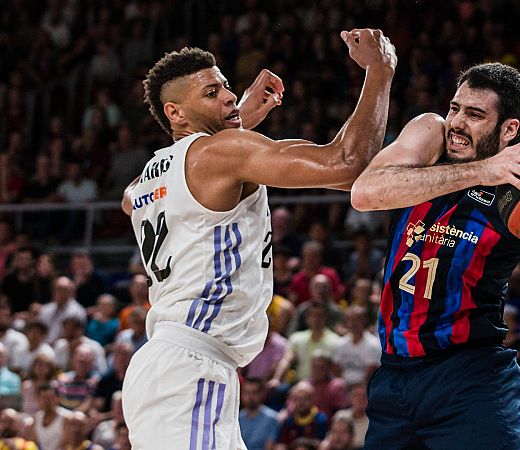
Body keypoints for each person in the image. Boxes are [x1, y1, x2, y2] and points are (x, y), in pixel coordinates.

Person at [121, 29, 396, 449]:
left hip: (179, 367)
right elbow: (347, 164)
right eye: (212, 93)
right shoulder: (220, 154)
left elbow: (128, 199)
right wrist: (380, 69)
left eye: (227, 87)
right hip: (190, 368)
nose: (231, 97)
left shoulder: (154, 174)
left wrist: (230, 124)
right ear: (175, 112)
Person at [350, 62, 520, 449]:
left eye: (475, 114)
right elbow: (365, 193)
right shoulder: (429, 136)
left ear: (509, 130)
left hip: (469, 378)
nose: (457, 122)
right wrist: (482, 171)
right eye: (455, 108)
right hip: (394, 378)